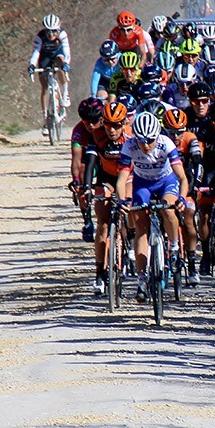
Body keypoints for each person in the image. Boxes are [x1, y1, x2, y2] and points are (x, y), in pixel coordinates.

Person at [117, 112, 188, 301]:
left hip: (166, 181)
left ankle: (173, 247)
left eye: (150, 140)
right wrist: (122, 200)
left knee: (167, 209)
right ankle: (141, 280)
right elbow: (122, 178)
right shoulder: (129, 145)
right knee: (140, 226)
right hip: (143, 184)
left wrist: (182, 197)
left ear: (157, 136)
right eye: (141, 140)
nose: (146, 145)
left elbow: (182, 177)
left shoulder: (166, 143)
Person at [81, 102, 134, 295]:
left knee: (129, 206)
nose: (112, 130)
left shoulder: (131, 137)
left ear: (124, 123)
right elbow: (90, 162)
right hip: (107, 178)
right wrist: (87, 188)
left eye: (117, 125)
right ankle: (99, 273)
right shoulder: (97, 136)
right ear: (103, 122)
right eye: (108, 124)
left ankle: (131, 239)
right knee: (102, 224)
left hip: (129, 177)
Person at [162, 108, 203, 285]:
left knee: (188, 217)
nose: (176, 137)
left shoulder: (190, 139)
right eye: (172, 132)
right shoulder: (161, 141)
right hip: (166, 182)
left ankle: (192, 263)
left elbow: (197, 164)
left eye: (179, 132)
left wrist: (193, 189)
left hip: (188, 181)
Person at [28, 14, 71, 133]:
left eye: (54, 31)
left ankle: (65, 93)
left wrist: (66, 63)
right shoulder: (40, 37)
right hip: (45, 57)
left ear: (58, 29)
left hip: (58, 55)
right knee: (44, 87)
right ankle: (46, 119)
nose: (51, 35)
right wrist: (32, 65)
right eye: (48, 32)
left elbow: (67, 52)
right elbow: (36, 52)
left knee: (61, 64)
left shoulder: (62, 34)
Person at [69, 97, 104, 242]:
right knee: (83, 173)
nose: (90, 125)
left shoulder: (109, 125)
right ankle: (87, 219)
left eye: (94, 120)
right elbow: (76, 158)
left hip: (106, 158)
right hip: (88, 159)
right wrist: (77, 181)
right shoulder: (78, 131)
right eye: (86, 121)